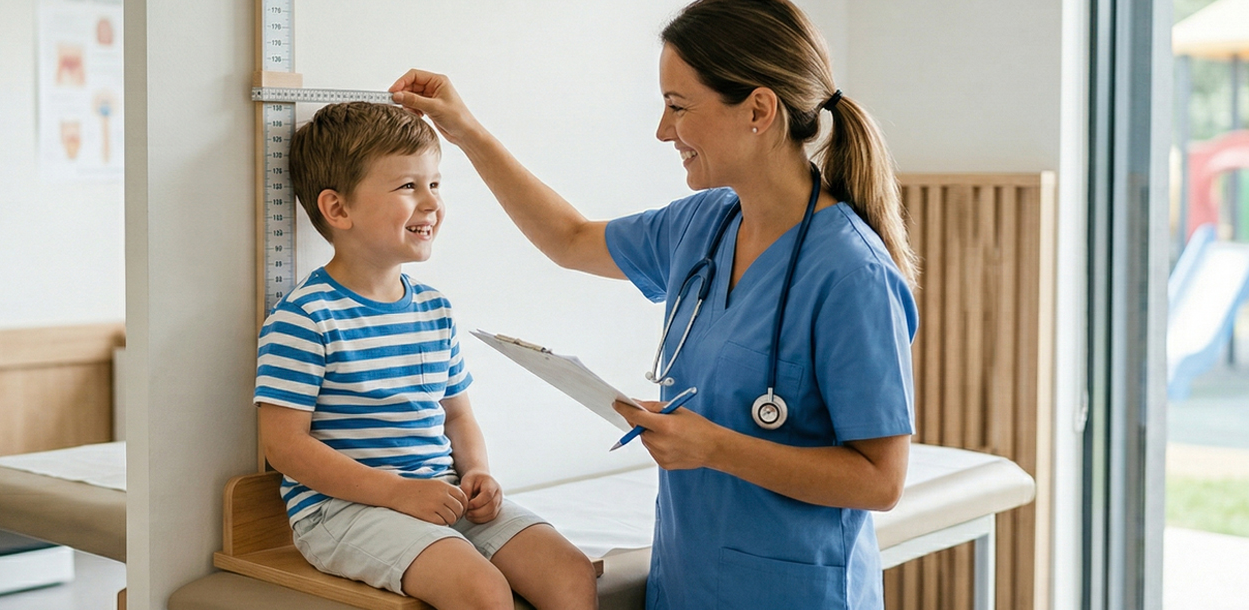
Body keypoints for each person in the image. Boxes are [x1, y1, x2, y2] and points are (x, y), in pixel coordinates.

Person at [389, 0, 918, 607]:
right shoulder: (705, 226)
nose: (664, 131)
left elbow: (881, 480)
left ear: (759, 110)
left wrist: (713, 446)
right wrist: (467, 132)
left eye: (677, 106)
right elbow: (569, 239)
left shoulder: (852, 273)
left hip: (796, 589)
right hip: (689, 581)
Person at [254, 102, 598, 610]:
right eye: (408, 187)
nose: (431, 203)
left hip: (441, 493)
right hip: (342, 510)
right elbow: (284, 447)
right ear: (338, 209)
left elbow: (457, 415)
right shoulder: (305, 317)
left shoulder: (435, 309)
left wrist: (477, 470)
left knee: (570, 572)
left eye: (435, 184)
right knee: (480, 590)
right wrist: (396, 493)